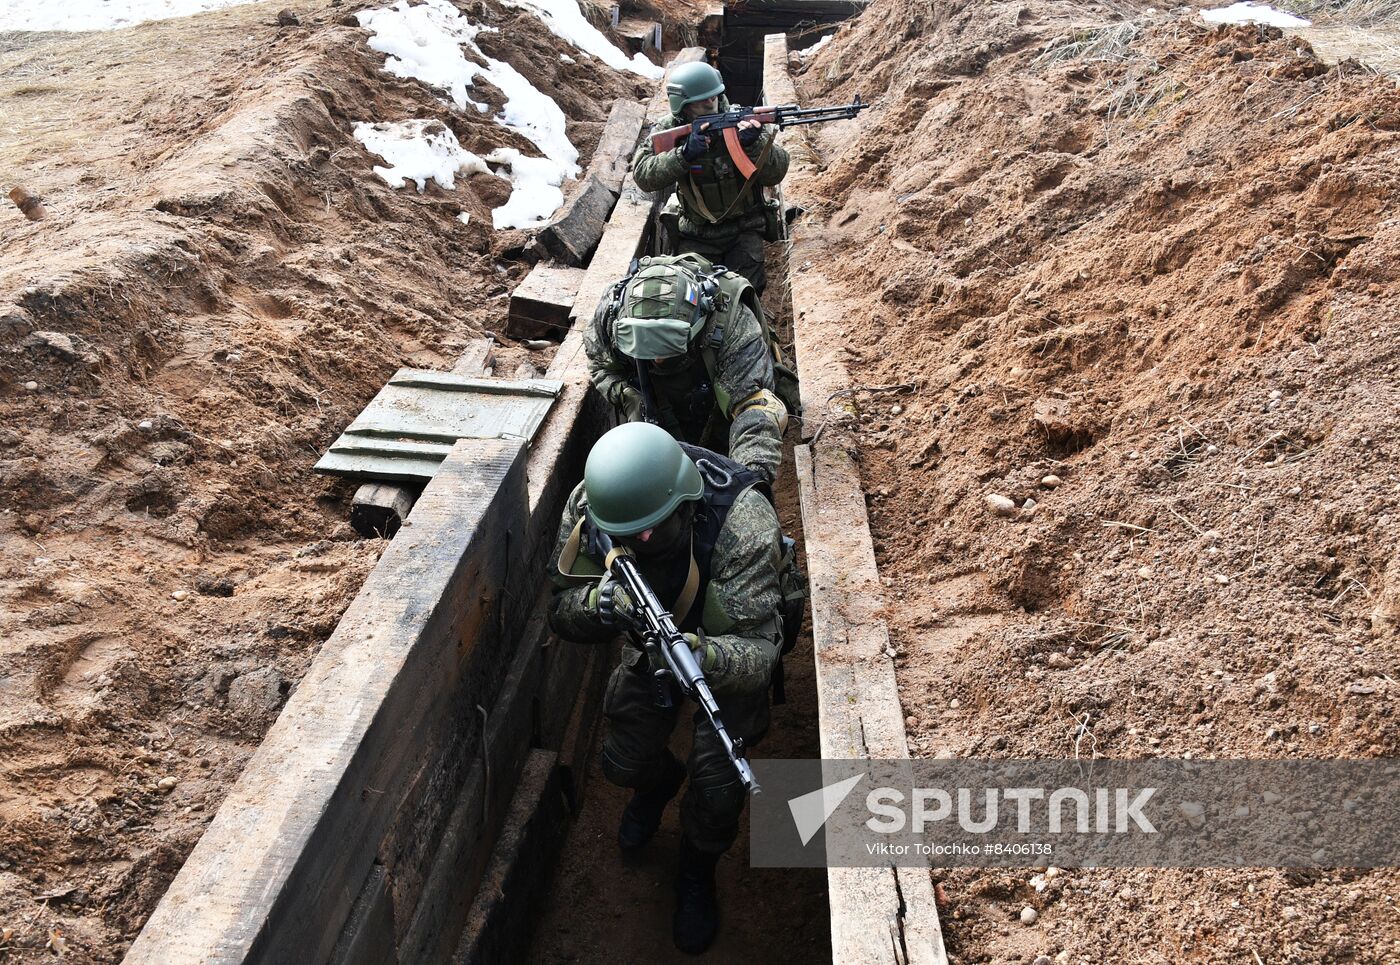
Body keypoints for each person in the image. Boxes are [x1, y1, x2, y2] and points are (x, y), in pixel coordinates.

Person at [548, 422, 787, 954]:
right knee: (620, 762)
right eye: (628, 535)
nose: (640, 544)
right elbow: (559, 611)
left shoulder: (742, 523)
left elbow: (758, 657)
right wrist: (602, 605)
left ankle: (696, 868)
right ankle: (657, 786)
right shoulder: (594, 505)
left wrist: (698, 656)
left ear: (686, 503)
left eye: (652, 531)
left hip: (722, 649)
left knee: (719, 791)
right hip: (651, 646)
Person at [585, 253, 790, 484]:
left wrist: (745, 478)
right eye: (648, 347)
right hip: (658, 399)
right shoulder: (610, 315)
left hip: (716, 383)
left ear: (699, 322)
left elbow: (754, 408)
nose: (658, 359)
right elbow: (601, 363)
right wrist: (628, 396)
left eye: (667, 345)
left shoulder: (732, 323)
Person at [632, 62, 789, 293]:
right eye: (701, 100)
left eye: (714, 96)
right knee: (694, 299)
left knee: (745, 295)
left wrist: (753, 145)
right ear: (682, 105)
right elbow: (643, 175)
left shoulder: (742, 120)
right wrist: (683, 155)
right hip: (696, 233)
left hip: (743, 229)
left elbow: (777, 172)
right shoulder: (670, 128)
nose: (710, 102)